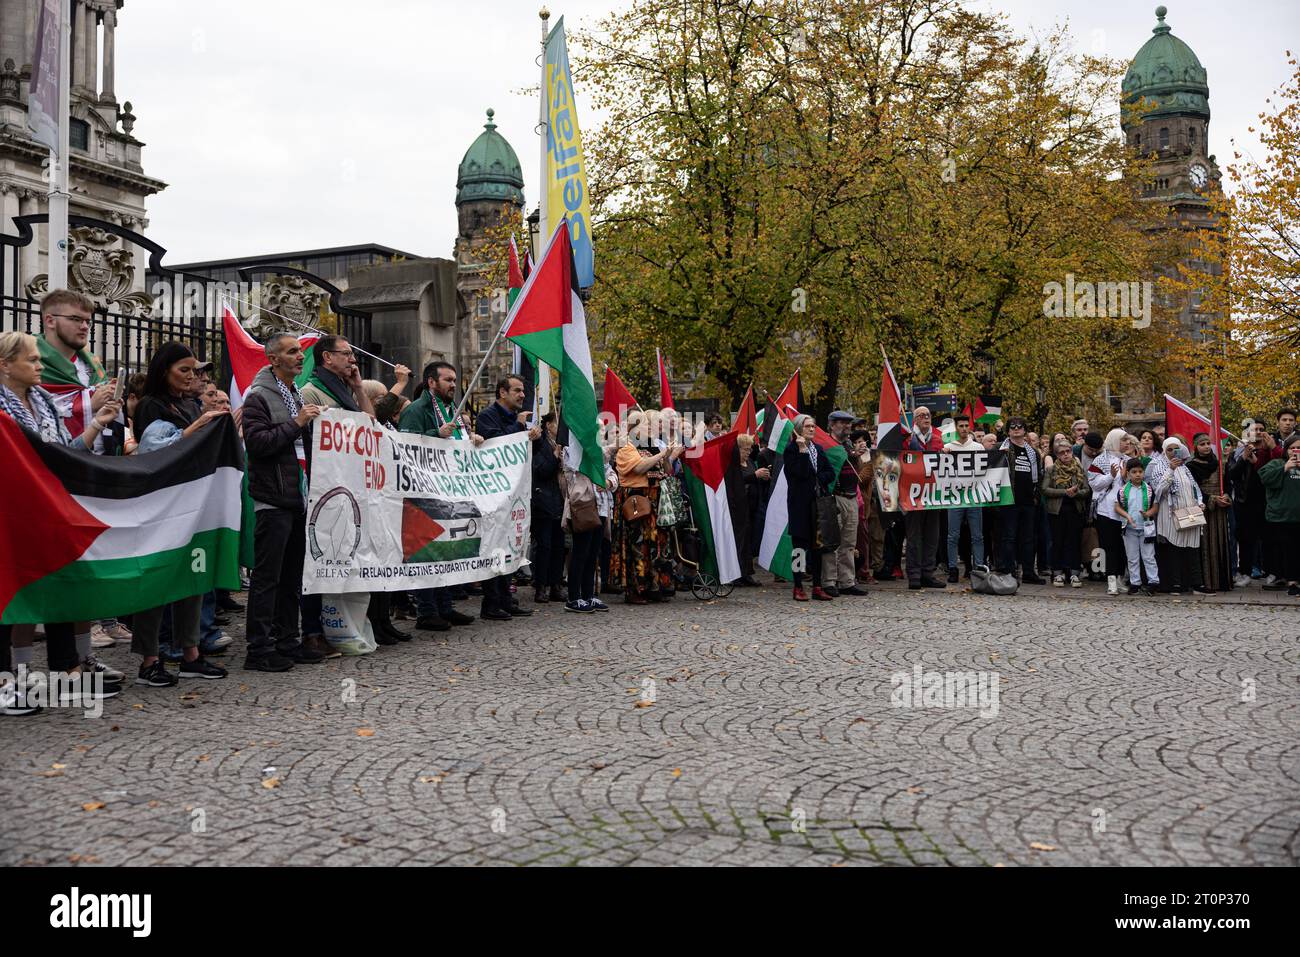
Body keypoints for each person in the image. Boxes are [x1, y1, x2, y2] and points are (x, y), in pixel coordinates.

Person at [0, 330, 126, 714]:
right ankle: (6, 680)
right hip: (9, 516)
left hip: (46, 514)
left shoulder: (43, 403)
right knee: (7, 596)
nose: (40, 365)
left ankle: (65, 670)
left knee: (58, 587)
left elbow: (62, 457)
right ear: (6, 366)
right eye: (32, 360)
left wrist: (97, 424)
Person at [128, 342, 231, 684]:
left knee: (194, 578)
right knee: (156, 585)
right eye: (183, 370)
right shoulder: (150, 405)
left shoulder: (189, 403)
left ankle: (191, 654)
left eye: (194, 371)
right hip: (161, 505)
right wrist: (198, 426)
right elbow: (154, 451)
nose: (192, 377)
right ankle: (149, 660)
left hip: (193, 503)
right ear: (164, 371)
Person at [241, 333, 329, 671]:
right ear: (273, 359)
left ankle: (287, 641)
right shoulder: (258, 396)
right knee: (268, 578)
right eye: (291, 352)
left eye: (300, 352)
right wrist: (298, 423)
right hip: (273, 498)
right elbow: (259, 444)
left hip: (298, 497)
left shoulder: (292, 392)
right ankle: (259, 650)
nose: (299, 357)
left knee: (293, 576)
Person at [399, 361, 482, 631]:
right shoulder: (416, 410)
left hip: (448, 492)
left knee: (447, 551)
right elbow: (405, 448)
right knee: (427, 553)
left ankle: (445, 606)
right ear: (432, 382)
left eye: (455, 380)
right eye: (448, 379)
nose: (453, 384)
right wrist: (436, 433)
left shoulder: (453, 412)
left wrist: (473, 441)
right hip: (423, 494)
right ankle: (426, 611)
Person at [476, 375, 540, 619]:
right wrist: (519, 427)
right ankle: (490, 603)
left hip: (514, 496)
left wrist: (533, 435)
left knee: (509, 546)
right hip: (494, 495)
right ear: (502, 393)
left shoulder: (516, 419)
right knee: (494, 547)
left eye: (523, 391)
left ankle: (506, 598)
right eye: (517, 390)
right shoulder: (486, 416)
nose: (522, 395)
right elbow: (496, 445)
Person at [612, 410, 680, 604]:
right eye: (646, 425)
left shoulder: (650, 447)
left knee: (653, 547)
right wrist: (661, 454)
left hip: (652, 502)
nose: (650, 428)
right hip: (635, 502)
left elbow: (667, 472)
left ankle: (653, 586)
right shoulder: (627, 447)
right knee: (636, 546)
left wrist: (666, 457)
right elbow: (639, 468)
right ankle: (634, 589)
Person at [784, 414, 836, 600]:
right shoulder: (791, 450)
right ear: (799, 429)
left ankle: (817, 585)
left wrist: (817, 479)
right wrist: (803, 451)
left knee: (818, 546)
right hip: (799, 505)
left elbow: (829, 472)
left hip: (817, 504)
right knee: (799, 548)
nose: (812, 429)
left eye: (813, 426)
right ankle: (798, 586)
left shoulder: (819, 449)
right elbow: (799, 473)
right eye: (808, 427)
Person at [1151, 438, 1207, 594]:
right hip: (1171, 514)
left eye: (1176, 449)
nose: (1173, 452)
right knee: (1174, 549)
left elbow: (1194, 487)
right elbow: (1159, 490)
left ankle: (1197, 584)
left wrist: (1200, 501)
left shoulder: (1185, 468)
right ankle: (1175, 584)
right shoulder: (1158, 466)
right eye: (1169, 449)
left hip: (1190, 513)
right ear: (1164, 450)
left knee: (1193, 549)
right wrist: (1170, 470)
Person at [822, 411, 868, 596]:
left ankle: (847, 580)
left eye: (849, 423)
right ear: (832, 425)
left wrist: (857, 455)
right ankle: (829, 581)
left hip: (851, 498)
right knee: (832, 541)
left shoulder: (848, 445)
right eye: (843, 423)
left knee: (849, 542)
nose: (848, 427)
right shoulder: (827, 445)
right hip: (836, 496)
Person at [902, 406, 946, 590]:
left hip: (933, 494)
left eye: (928, 415)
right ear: (915, 420)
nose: (926, 418)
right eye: (922, 415)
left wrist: (945, 455)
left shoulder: (937, 439)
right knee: (914, 536)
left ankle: (928, 573)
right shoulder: (908, 439)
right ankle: (914, 575)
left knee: (932, 536)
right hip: (913, 494)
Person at [997, 416, 1044, 584]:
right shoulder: (1002, 449)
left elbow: (1038, 475)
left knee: (1029, 538)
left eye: (1020, 426)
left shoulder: (1033, 452)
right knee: (1009, 537)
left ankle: (1029, 572)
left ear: (1025, 430)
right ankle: (1009, 571)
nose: (1016, 429)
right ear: (1008, 430)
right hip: (1010, 500)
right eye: (1013, 427)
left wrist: (1036, 496)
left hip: (1028, 500)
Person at [1188, 432, 1233, 593]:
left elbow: (1228, 484)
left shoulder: (1219, 463)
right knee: (1205, 543)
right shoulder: (1191, 466)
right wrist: (1212, 499)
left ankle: (1222, 581)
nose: (1206, 447)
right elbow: (1194, 489)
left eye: (1208, 443)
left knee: (1220, 541)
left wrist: (1226, 496)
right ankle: (1206, 581)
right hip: (1204, 508)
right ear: (1196, 447)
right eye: (1202, 444)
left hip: (1220, 511)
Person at [1089, 428, 1131, 596]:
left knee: (1123, 547)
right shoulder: (1100, 460)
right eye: (1124, 440)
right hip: (1106, 511)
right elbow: (1094, 483)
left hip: (1125, 511)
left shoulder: (1128, 461)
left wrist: (1125, 477)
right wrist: (1111, 476)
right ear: (1114, 441)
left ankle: (1121, 578)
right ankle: (1111, 580)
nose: (1128, 443)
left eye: (1128, 440)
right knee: (1109, 546)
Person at [944, 413, 985, 581]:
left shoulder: (978, 447)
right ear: (955, 428)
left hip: (974, 496)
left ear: (970, 427)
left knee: (977, 535)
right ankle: (953, 568)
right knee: (953, 535)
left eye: (966, 426)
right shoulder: (949, 447)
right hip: (955, 497)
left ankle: (979, 567)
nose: (964, 429)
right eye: (960, 426)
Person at [1041, 440, 1088, 587]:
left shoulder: (1079, 469)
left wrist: (1076, 493)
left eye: (1068, 451)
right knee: (1058, 541)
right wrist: (1064, 492)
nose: (1066, 454)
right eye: (1062, 452)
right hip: (1057, 510)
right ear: (1057, 455)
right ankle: (1058, 572)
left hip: (1075, 509)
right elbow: (1045, 489)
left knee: (1074, 541)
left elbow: (1087, 490)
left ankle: (1074, 573)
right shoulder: (1052, 470)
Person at [1258, 434, 1300, 596]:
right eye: (1292, 448)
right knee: (1288, 551)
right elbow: (1264, 477)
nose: (1296, 451)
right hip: (1282, 517)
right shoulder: (1277, 463)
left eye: (1299, 448)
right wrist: (1285, 468)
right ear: (1286, 450)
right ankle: (1292, 582)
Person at [531, 412, 566, 603]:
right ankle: (540, 586)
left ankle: (556, 584)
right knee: (544, 546)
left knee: (558, 547)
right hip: (542, 501)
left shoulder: (562, 446)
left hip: (558, 502)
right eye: (557, 423)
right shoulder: (541, 444)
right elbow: (541, 470)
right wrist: (554, 456)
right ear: (549, 426)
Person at [1113, 457, 1159, 595]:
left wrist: (1148, 513)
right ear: (1128, 474)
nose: (1137, 474)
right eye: (1134, 472)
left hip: (1146, 528)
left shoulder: (1149, 490)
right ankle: (1135, 583)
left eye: (1140, 471)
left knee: (1149, 556)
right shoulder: (1122, 490)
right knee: (1132, 557)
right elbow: (1117, 507)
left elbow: (1155, 506)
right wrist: (1126, 516)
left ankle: (1153, 582)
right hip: (1129, 529)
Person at [735, 433, 768, 587]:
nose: (748, 452)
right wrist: (755, 475)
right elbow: (735, 483)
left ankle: (747, 573)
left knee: (749, 542)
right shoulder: (732, 465)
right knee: (739, 542)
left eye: (749, 449)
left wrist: (763, 476)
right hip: (738, 508)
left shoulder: (750, 463)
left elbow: (754, 479)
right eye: (745, 450)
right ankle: (736, 574)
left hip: (752, 508)